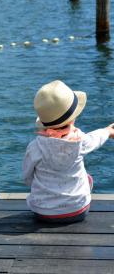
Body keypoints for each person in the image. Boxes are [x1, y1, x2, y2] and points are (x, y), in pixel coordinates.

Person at [23, 80, 114, 223]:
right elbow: (95, 138)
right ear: (73, 118)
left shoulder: (34, 147)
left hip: (42, 212)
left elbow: (27, 178)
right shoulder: (80, 141)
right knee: (87, 178)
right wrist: (108, 131)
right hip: (77, 211)